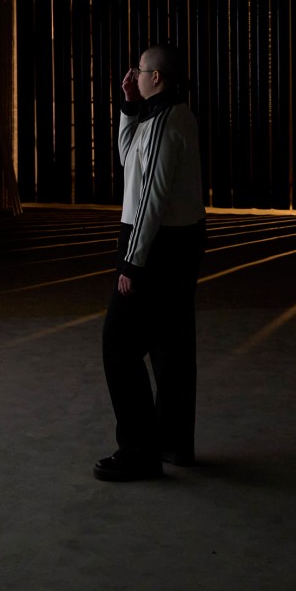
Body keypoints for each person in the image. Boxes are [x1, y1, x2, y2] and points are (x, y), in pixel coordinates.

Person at [96, 44, 207, 482]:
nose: (134, 74)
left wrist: (131, 263)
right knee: (170, 345)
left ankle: (139, 451)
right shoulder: (160, 118)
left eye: (139, 70)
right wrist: (127, 106)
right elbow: (129, 163)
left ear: (156, 77)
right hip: (174, 242)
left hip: (158, 245)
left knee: (118, 345)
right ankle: (172, 444)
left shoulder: (167, 122)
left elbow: (149, 203)